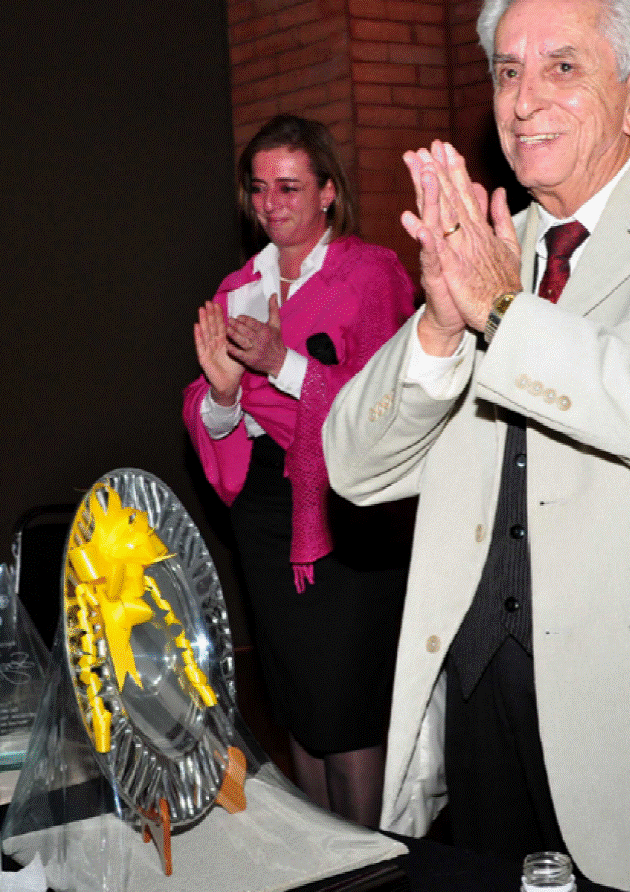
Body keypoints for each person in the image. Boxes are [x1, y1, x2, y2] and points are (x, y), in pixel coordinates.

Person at [323, 0, 630, 890]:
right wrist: (441, 326)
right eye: (506, 71)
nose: (524, 101)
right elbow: (352, 466)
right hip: (480, 692)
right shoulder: (490, 250)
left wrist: (503, 313)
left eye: (562, 67)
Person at [183, 115, 416, 828]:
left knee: (346, 706)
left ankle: (369, 860)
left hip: (345, 506)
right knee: (297, 702)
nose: (270, 203)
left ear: (327, 192)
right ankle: (325, 861)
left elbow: (389, 403)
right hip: (263, 508)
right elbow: (213, 413)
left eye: (288, 187)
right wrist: (224, 392)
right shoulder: (238, 285)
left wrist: (279, 362)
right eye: (258, 188)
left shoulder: (368, 273)